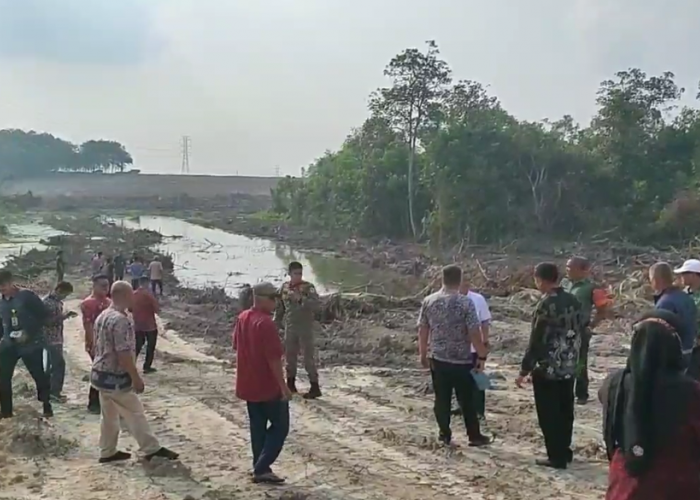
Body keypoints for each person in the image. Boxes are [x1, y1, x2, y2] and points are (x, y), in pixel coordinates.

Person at [600, 309, 700, 499]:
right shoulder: (691, 392)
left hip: (625, 486)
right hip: (677, 487)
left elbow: (611, 434)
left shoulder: (613, 384)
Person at [91, 280, 178, 464]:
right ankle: (151, 449)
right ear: (123, 296)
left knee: (109, 416)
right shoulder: (121, 320)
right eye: (131, 295)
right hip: (115, 377)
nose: (134, 298)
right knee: (135, 412)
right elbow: (123, 353)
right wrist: (135, 377)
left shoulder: (104, 315)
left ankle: (107, 450)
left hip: (100, 374)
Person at [516, 262, 584, 469]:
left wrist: (524, 369)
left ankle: (556, 456)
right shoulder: (573, 300)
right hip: (570, 364)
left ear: (541, 280)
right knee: (566, 410)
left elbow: (536, 340)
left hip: (549, 367)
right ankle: (564, 449)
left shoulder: (546, 305)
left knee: (549, 413)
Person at [418, 264, 491, 447]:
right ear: (459, 280)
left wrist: (422, 353)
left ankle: (445, 434)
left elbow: (423, 329)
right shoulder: (465, 302)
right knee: (466, 399)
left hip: (438, 357)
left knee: (441, 398)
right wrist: (481, 354)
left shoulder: (429, 301)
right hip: (461, 359)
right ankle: (474, 436)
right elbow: (474, 332)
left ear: (442, 279)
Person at [234, 282, 292, 484]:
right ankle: (261, 466)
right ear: (264, 299)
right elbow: (274, 359)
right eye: (274, 299)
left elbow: (236, 346)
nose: (276, 303)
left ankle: (261, 467)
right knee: (280, 426)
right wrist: (283, 387)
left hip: (247, 382)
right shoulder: (266, 323)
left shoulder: (243, 318)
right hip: (267, 385)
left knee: (257, 427)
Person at [0, 269, 53, 418]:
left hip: (31, 344)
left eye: (3, 285)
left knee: (38, 375)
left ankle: (46, 404)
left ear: (11, 282)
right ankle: (6, 412)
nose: (2, 289)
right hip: (9, 344)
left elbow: (43, 316)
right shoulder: (1, 301)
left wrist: (28, 332)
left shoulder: (27, 296)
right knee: (2, 377)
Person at [561, 256, 613, 405]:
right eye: (567, 267)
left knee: (579, 362)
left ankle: (581, 394)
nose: (567, 270)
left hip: (580, 329)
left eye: (571, 267)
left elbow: (602, 310)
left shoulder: (592, 288)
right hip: (562, 329)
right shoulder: (564, 283)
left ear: (583, 270)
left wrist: (591, 327)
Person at [274, 261, 322, 399]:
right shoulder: (284, 288)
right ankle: (290, 384)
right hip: (290, 326)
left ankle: (314, 386)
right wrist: (276, 323)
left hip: (305, 327)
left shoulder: (308, 288)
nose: (298, 276)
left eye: (300, 274)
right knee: (290, 357)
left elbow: (316, 306)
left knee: (308, 358)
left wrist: (301, 299)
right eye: (295, 274)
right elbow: (280, 308)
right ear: (289, 274)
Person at [451, 279, 491, 420]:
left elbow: (485, 321)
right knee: (459, 378)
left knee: (477, 377)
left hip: (475, 346)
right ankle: (461, 406)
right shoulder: (452, 299)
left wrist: (485, 341)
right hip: (458, 346)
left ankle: (479, 410)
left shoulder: (478, 299)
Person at [651, 262, 697, 368]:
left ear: (655, 279)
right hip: (689, 351)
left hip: (674, 356)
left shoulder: (665, 303)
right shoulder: (686, 298)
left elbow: (660, 335)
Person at [81, 274, 112, 414]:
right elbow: (88, 325)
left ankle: (105, 403)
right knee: (99, 372)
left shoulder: (108, 302)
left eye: (107, 285)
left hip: (109, 343)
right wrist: (92, 344)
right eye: (103, 286)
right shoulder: (89, 303)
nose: (106, 288)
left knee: (108, 372)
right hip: (97, 343)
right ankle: (93, 403)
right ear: (94, 286)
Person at [43, 281, 76, 402]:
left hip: (56, 338)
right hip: (51, 339)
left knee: (54, 366)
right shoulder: (49, 303)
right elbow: (47, 322)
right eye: (65, 294)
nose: (65, 297)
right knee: (58, 366)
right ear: (59, 290)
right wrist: (64, 316)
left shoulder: (55, 302)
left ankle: (52, 391)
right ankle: (54, 392)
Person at [674, 259, 700, 380]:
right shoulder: (683, 295)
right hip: (686, 344)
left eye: (685, 273)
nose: (681, 277)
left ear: (694, 275)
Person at [133, 276, 160, 373]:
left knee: (137, 346)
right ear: (146, 283)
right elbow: (157, 309)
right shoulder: (149, 295)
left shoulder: (133, 294)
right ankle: (147, 366)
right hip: (150, 325)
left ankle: (132, 365)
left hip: (137, 324)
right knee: (150, 346)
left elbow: (129, 308)